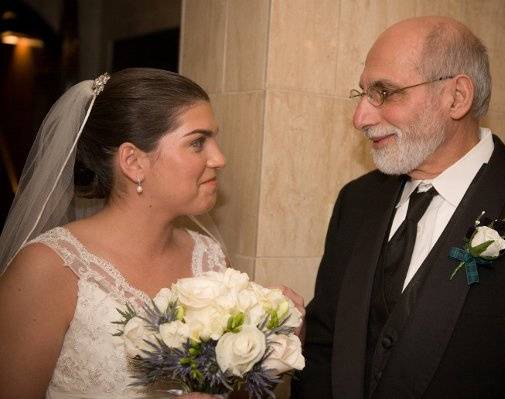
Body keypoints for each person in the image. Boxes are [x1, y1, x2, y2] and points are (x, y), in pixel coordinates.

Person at [292, 16, 505, 399]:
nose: (361, 118)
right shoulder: (356, 201)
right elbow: (325, 346)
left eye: (385, 92)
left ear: (456, 97)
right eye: (363, 95)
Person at [0, 68, 304, 399]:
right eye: (197, 142)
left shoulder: (211, 259)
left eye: (214, 140)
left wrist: (272, 346)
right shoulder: (49, 268)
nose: (219, 158)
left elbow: (232, 392)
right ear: (133, 162)